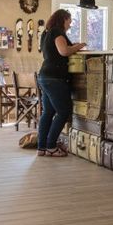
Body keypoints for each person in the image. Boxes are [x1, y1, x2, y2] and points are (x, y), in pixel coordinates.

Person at [37, 9, 86, 157]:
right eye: (69, 21)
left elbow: (54, 51)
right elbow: (63, 51)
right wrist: (79, 46)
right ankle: (51, 146)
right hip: (55, 78)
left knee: (48, 112)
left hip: (45, 76)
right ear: (63, 19)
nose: (70, 25)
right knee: (64, 112)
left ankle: (41, 147)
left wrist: (73, 46)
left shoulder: (46, 33)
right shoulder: (57, 31)